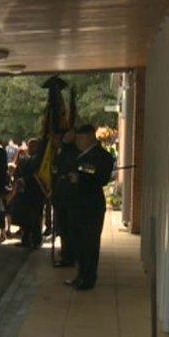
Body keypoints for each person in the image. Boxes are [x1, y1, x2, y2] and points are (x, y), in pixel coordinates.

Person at [65, 124, 115, 291]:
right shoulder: (77, 153)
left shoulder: (104, 156)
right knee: (78, 242)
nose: (78, 141)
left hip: (91, 206)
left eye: (80, 138)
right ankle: (80, 274)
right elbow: (66, 164)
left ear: (89, 137)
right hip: (76, 204)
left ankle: (89, 277)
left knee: (90, 243)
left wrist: (80, 174)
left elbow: (101, 177)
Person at [51, 129, 79, 266]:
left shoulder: (73, 151)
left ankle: (69, 256)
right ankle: (65, 252)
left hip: (69, 195)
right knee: (63, 227)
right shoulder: (61, 150)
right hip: (61, 193)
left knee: (68, 228)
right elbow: (56, 168)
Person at [14, 138, 46, 249]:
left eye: (35, 146)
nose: (32, 148)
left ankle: (36, 240)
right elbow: (17, 172)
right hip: (24, 193)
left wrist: (25, 180)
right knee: (25, 217)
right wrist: (18, 180)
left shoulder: (40, 161)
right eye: (30, 146)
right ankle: (25, 238)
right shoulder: (23, 159)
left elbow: (38, 175)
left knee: (36, 217)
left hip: (36, 192)